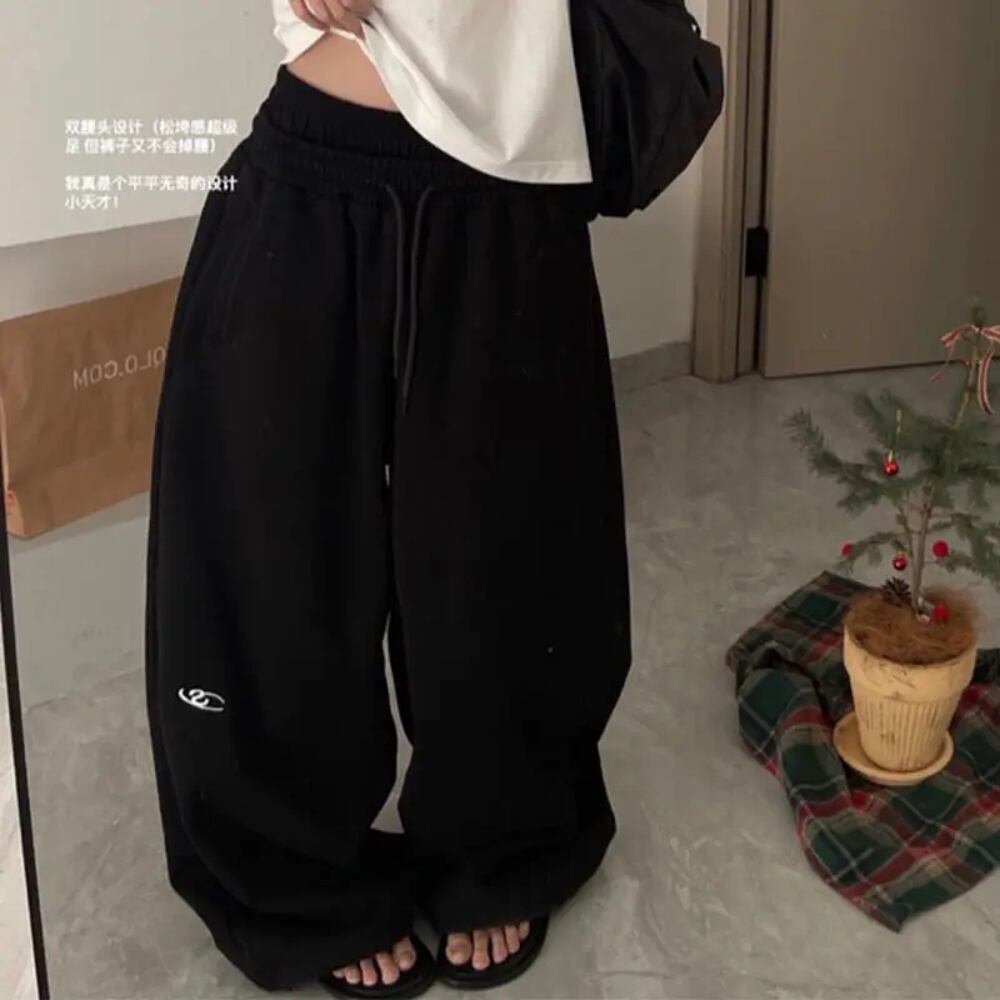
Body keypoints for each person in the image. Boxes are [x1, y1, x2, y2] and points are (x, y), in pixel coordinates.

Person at [143, 0, 633, 995]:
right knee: (267, 561)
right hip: (305, 167)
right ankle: (293, 880)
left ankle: (505, 841)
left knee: (512, 564)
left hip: (508, 184)